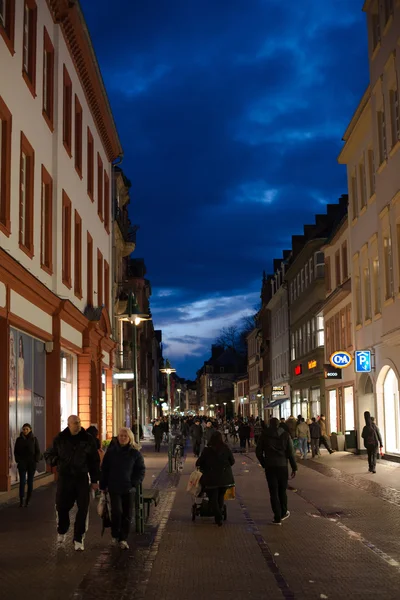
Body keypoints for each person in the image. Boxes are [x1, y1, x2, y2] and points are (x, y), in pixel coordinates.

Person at [44, 415, 100, 551]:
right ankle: (62, 529)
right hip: (65, 478)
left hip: (81, 478)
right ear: (68, 424)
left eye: (79, 422)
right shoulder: (60, 439)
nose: (78, 425)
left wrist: (94, 480)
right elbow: (48, 455)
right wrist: (56, 461)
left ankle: (78, 538)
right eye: (75, 423)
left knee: (83, 508)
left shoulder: (88, 439)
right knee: (62, 507)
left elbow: (94, 461)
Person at [100, 427, 145, 549]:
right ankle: (115, 535)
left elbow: (140, 470)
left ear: (130, 438)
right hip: (114, 487)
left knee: (127, 514)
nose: (123, 438)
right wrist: (103, 485)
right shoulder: (111, 452)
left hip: (128, 488)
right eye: (121, 436)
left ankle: (123, 538)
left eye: (125, 436)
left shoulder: (135, 453)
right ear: (118, 437)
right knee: (116, 512)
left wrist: (134, 482)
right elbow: (105, 469)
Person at [256, 417, 297, 525]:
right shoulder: (285, 435)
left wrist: (264, 463)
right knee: (282, 491)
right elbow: (290, 453)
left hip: (270, 466)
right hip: (282, 466)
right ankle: (283, 512)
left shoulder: (264, 435)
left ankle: (277, 516)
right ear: (279, 424)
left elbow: (258, 452)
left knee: (273, 492)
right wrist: (294, 467)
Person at [196, 431, 235, 527]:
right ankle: (219, 514)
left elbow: (198, 463)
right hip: (224, 478)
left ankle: (218, 517)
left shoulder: (207, 450)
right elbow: (232, 461)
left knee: (213, 498)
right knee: (220, 496)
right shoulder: (225, 448)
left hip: (211, 478)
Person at [14, 423, 41, 507]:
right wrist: (18, 460)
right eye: (24, 429)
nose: (25, 431)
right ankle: (21, 499)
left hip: (31, 463)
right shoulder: (19, 440)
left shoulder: (34, 439)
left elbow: (38, 451)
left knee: (30, 481)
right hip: (22, 463)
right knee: (22, 482)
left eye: (27, 429)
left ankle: (28, 499)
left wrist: (35, 460)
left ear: (30, 430)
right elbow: (16, 451)